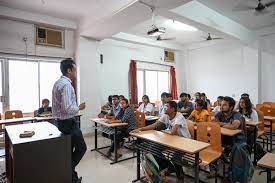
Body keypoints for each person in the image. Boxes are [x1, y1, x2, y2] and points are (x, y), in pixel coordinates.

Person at [132, 101, 190, 178]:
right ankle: (169, 167)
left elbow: (172, 132)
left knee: (175, 157)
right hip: (171, 140)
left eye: (167, 107)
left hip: (184, 141)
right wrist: (140, 129)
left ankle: (180, 174)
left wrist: (163, 131)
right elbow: (153, 125)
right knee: (153, 149)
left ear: (173, 109)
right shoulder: (166, 115)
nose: (164, 108)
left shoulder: (179, 117)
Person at [52, 58, 86, 183]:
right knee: (82, 148)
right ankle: (68, 170)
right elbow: (67, 108)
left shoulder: (58, 83)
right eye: (75, 70)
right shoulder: (66, 85)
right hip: (67, 122)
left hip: (60, 122)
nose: (76, 72)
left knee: (68, 151)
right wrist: (79, 107)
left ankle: (72, 177)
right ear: (69, 70)